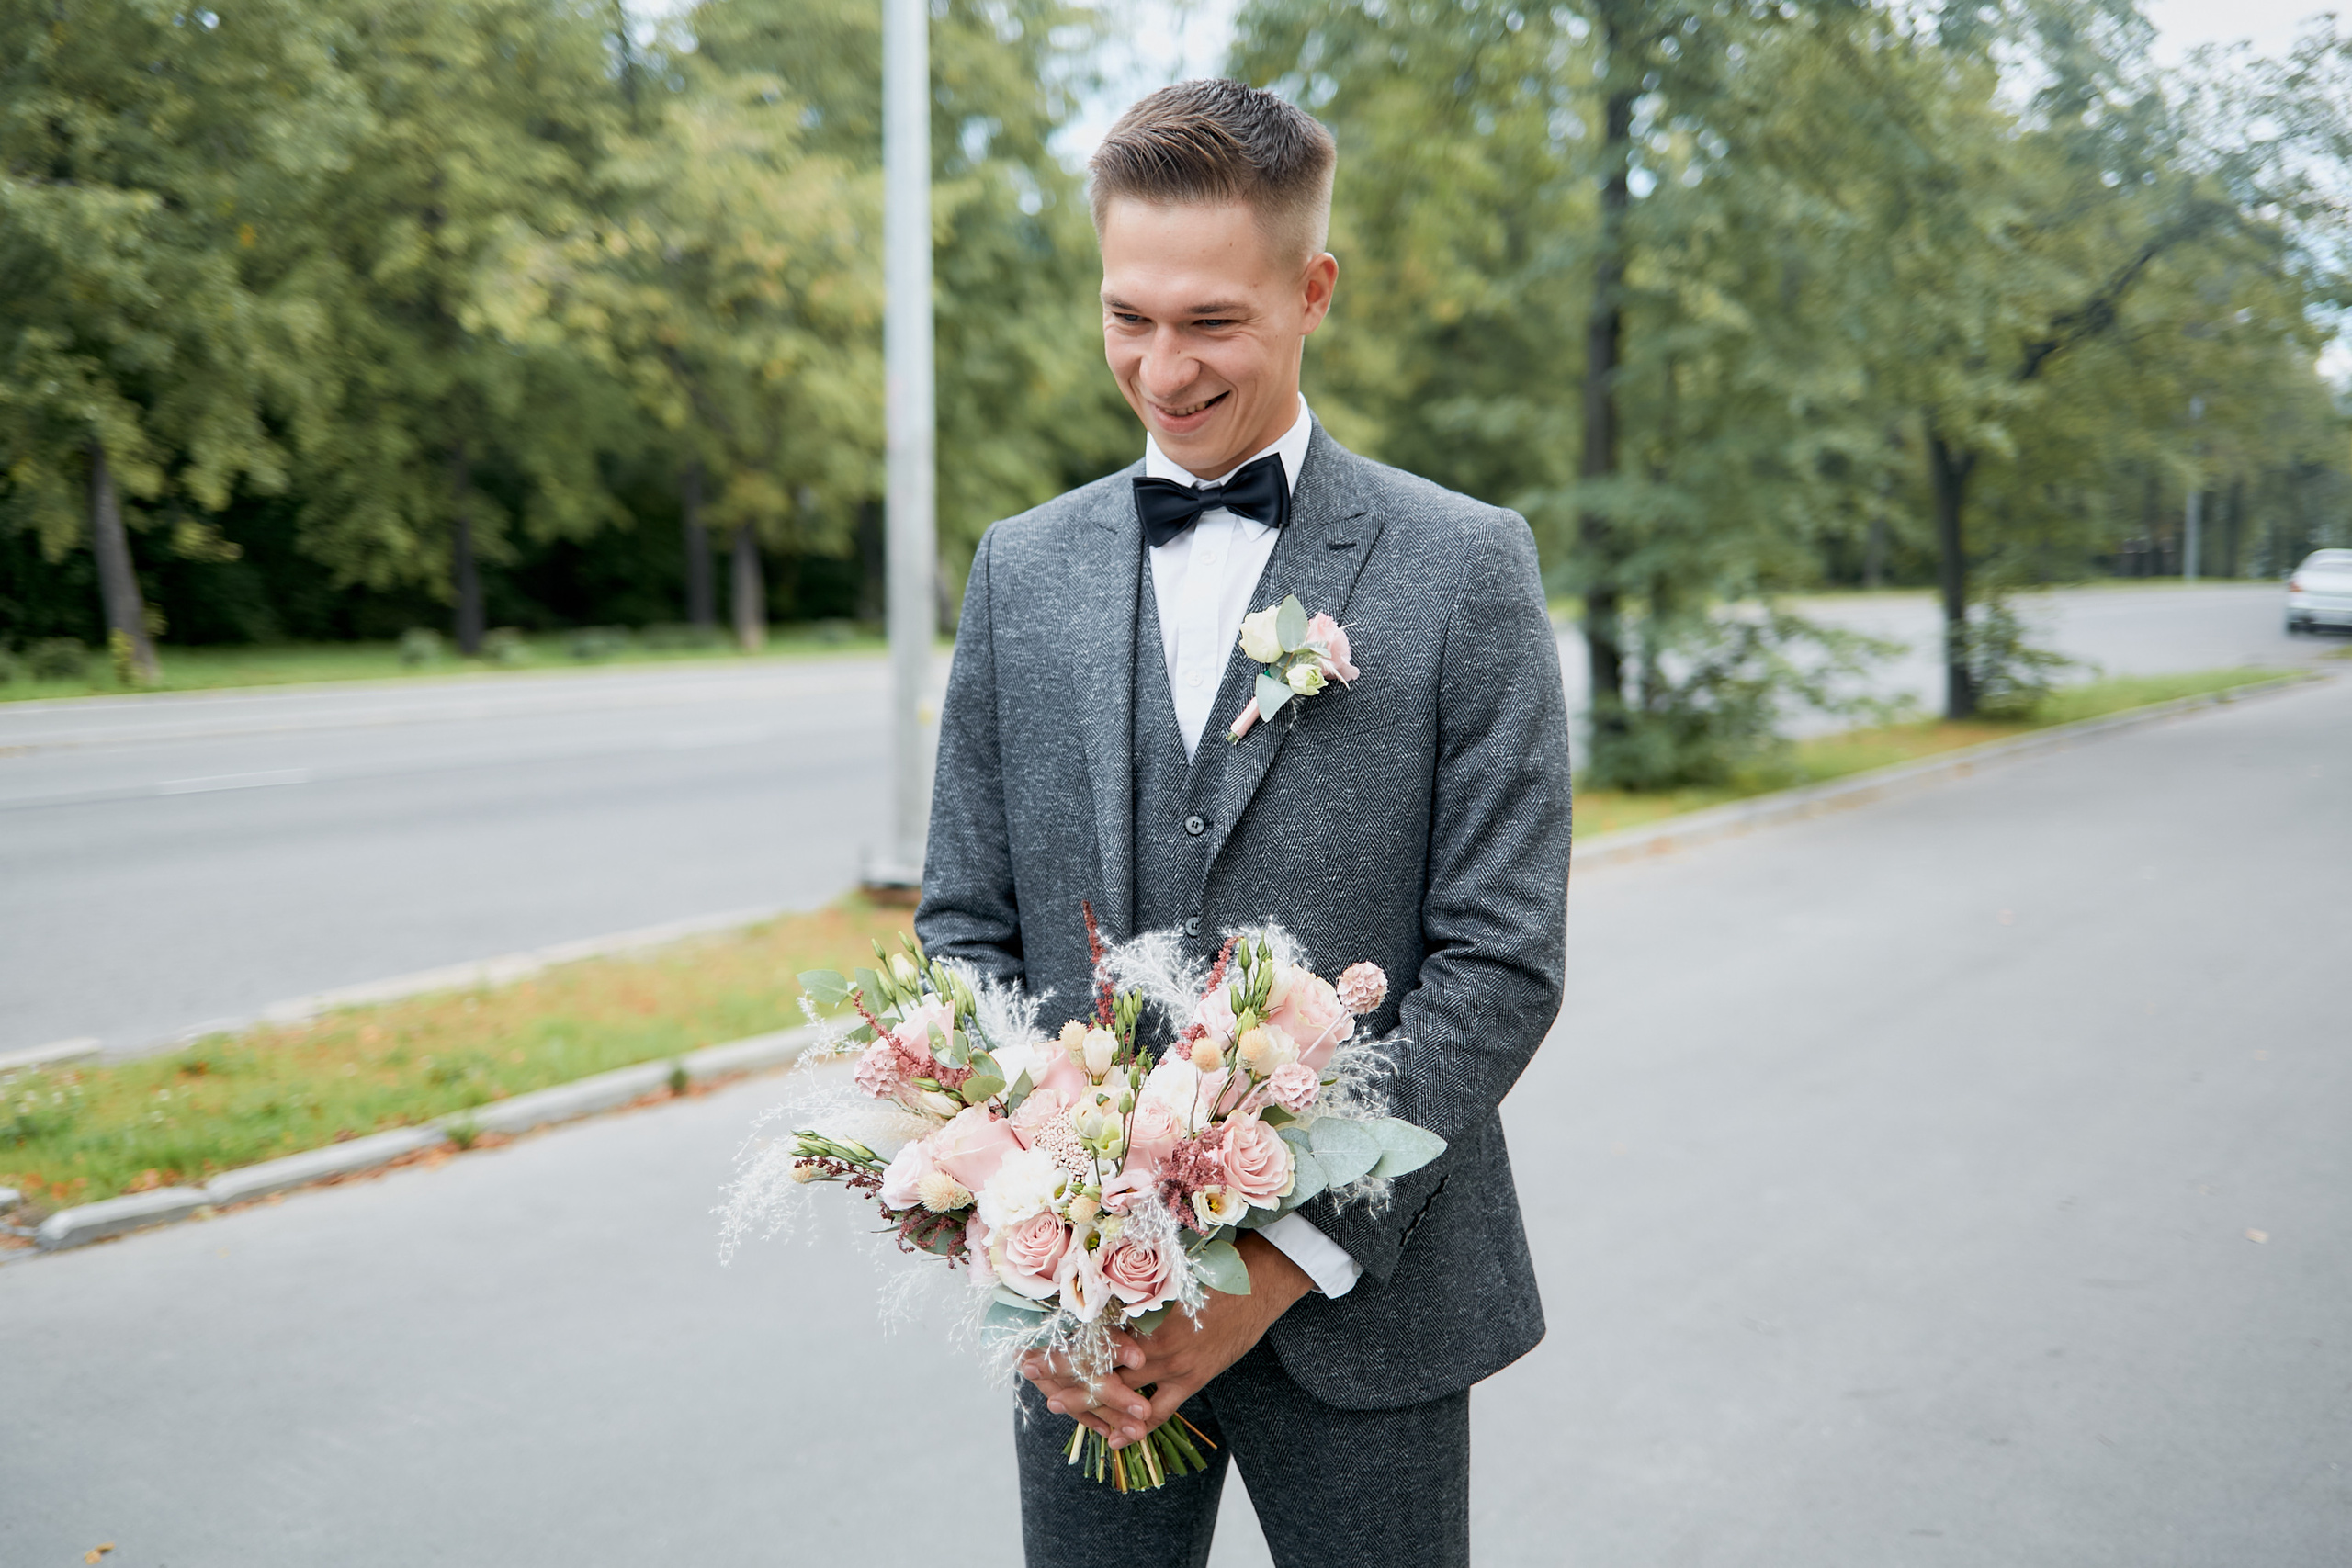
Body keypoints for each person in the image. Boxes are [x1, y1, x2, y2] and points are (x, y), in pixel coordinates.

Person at [914, 77, 1571, 1568]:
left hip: (1367, 1303)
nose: (1162, 368)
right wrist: (1032, 1234)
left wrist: (1270, 1261)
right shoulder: (1022, 570)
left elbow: (1500, 964)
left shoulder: (1466, 567)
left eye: (1211, 321)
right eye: (1126, 317)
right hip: (1083, 1322)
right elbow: (965, 930)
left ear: (1313, 289)